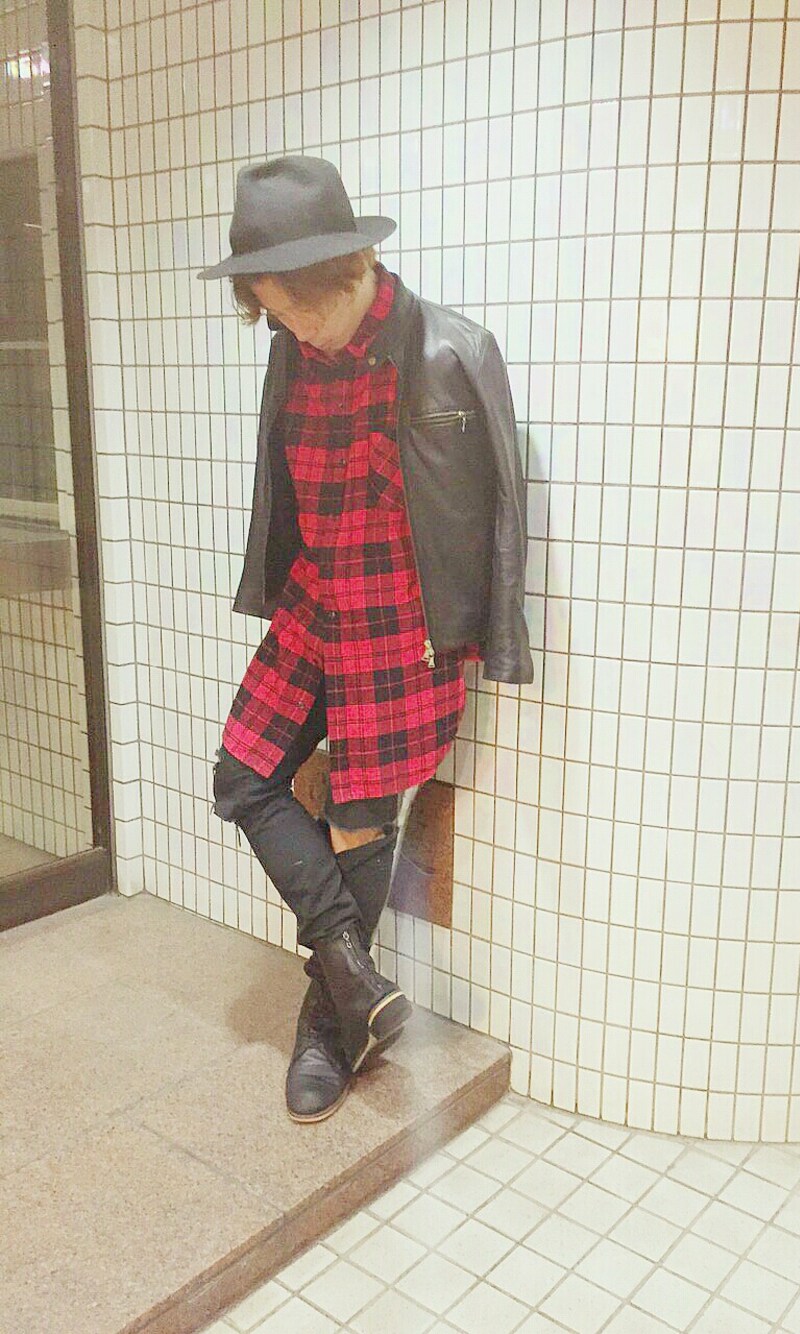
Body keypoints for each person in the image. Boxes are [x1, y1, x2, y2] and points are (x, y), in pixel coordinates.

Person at [198, 155, 532, 1122]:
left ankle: (330, 1029)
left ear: (350, 273)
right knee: (242, 774)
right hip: (317, 600)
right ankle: (353, 974)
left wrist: (493, 639)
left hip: (402, 619)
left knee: (358, 819)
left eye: (301, 312)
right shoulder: (293, 350)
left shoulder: (454, 351)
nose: (294, 332)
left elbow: (502, 511)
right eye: (275, 316)